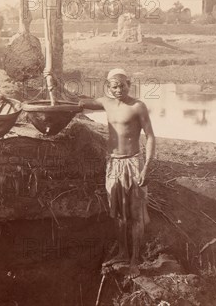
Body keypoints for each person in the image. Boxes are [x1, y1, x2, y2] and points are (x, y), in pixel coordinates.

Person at [79, 68, 156, 277]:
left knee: (135, 214)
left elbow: (150, 136)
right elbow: (78, 103)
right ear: (108, 87)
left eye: (122, 85)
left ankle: (134, 260)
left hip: (133, 163)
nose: (119, 89)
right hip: (113, 164)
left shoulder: (138, 106)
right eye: (114, 86)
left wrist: (146, 166)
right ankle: (122, 252)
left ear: (129, 84)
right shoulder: (105, 102)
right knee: (119, 214)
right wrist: (53, 82)